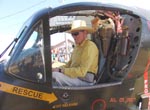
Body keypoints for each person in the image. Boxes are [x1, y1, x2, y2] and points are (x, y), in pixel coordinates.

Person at [52, 20, 99, 87]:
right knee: (53, 73)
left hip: (85, 81)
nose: (74, 37)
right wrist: (56, 68)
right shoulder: (77, 47)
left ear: (85, 33)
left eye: (76, 34)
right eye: (72, 34)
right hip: (77, 77)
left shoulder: (90, 47)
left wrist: (60, 70)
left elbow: (82, 72)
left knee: (55, 75)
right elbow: (68, 65)